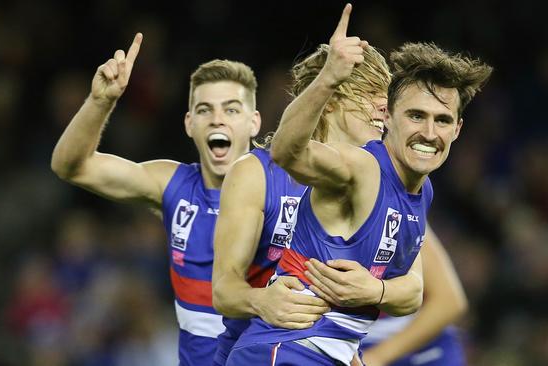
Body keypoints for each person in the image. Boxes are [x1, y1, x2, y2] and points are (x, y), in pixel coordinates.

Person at [228, 4, 493, 365]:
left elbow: (414, 292)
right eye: (416, 116)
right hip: (285, 350)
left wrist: (375, 289)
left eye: (443, 120)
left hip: (321, 353)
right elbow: (288, 152)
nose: (430, 133)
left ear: (458, 129)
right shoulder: (363, 167)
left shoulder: (418, 191)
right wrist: (328, 79)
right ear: (389, 117)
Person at [50, 33, 262, 365]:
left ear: (253, 123)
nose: (218, 119)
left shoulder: (286, 185)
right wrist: (100, 101)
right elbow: (71, 166)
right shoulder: (172, 184)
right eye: (205, 110)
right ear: (190, 124)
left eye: (231, 109)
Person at [211, 42, 412, 366]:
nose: (382, 107)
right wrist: (261, 299)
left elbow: (414, 288)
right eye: (369, 91)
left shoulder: (377, 185)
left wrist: (375, 292)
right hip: (257, 351)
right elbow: (223, 289)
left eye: (386, 96)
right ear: (329, 99)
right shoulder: (256, 173)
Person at [360, 224, 469, 366]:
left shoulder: (398, 211)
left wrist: (377, 356)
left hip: (419, 344)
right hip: (351, 344)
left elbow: (449, 301)